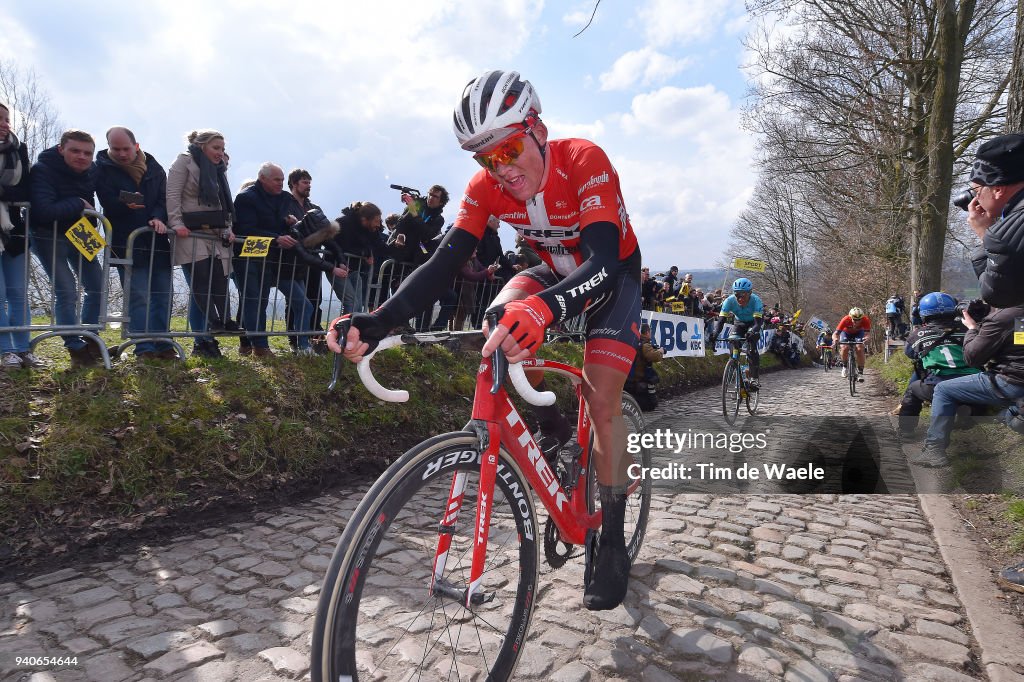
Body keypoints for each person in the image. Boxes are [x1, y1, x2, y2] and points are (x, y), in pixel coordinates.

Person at [329, 70, 642, 611]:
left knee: (602, 396)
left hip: (612, 276)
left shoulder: (583, 159)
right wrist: (377, 320)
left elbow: (603, 260)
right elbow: (442, 262)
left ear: (537, 128)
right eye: (485, 158)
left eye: (511, 148)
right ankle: (552, 427)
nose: (502, 168)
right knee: (498, 324)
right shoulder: (485, 190)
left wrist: (544, 309)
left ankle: (610, 534)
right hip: (550, 273)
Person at [95, 126, 176, 360]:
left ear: (136, 146)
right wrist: (124, 204)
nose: (121, 154)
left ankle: (164, 344)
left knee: (163, 294)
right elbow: (106, 199)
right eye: (115, 149)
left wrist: (159, 217)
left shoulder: (154, 167)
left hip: (157, 241)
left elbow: (164, 198)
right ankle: (143, 347)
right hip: (126, 242)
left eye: (126, 149)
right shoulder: (101, 168)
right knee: (138, 295)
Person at [912, 300, 1024, 467]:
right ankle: (1011, 414)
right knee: (1012, 415)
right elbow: (1019, 341)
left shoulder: (1006, 317)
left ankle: (934, 450)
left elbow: (973, 358)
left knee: (943, 390)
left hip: (1013, 382)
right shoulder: (1017, 319)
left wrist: (973, 329)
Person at [29, 129, 104, 368]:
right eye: (75, 151)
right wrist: (77, 204)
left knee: (97, 286)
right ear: (61, 149)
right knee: (66, 291)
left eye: (87, 153)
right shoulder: (42, 170)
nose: (82, 157)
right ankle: (75, 347)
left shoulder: (92, 170)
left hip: (82, 232)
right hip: (49, 234)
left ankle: (92, 339)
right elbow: (43, 210)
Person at [232, 162, 315, 356]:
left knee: (261, 299)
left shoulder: (284, 198)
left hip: (272, 254)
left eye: (282, 180)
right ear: (263, 178)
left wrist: (289, 224)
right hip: (250, 251)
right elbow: (244, 228)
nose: (280, 183)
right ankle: (258, 345)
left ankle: (254, 343)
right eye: (276, 179)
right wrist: (275, 237)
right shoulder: (246, 198)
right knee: (253, 299)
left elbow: (278, 222)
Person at [166, 129, 235, 359]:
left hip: (214, 235)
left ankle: (218, 327)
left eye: (223, 149)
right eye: (216, 148)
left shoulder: (217, 170)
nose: (220, 153)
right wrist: (176, 223)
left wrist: (227, 228)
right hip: (189, 233)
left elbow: (223, 203)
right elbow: (173, 194)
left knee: (217, 282)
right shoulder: (184, 162)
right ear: (202, 145)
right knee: (200, 282)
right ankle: (203, 338)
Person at [896, 292, 979, 437]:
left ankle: (906, 430)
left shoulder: (918, 334)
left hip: (937, 385)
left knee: (913, 390)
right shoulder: (970, 328)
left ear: (923, 314)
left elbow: (910, 354)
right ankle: (971, 411)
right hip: (973, 383)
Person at [0, 101, 44, 370]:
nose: (4, 124)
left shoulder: (20, 150)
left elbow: (26, 191)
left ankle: (24, 349)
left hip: (15, 230)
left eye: (6, 119)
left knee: (18, 293)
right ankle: (6, 351)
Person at [963, 133, 1024, 308]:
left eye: (976, 191)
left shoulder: (1002, 237)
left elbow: (997, 295)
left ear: (997, 189)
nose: (975, 198)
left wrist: (986, 235)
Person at [328, 201, 386, 314]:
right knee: (351, 302)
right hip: (337, 268)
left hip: (354, 270)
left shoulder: (369, 229)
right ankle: (345, 329)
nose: (378, 225)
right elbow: (341, 246)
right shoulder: (343, 223)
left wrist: (368, 253)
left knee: (358, 304)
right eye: (376, 221)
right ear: (365, 219)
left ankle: (354, 329)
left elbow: (377, 245)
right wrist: (364, 253)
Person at [709, 278, 765, 390]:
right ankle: (735, 366)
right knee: (733, 340)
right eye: (737, 294)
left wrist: (752, 331)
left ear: (750, 293)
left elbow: (757, 324)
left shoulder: (756, 301)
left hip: (754, 323)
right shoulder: (729, 301)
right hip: (739, 323)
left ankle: (754, 378)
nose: (740, 298)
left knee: (752, 347)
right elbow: (721, 321)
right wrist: (715, 333)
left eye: (743, 294)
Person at [626, 322, 664, 410]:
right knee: (650, 405)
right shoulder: (645, 345)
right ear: (647, 332)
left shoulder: (634, 342)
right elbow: (654, 356)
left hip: (629, 379)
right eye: (650, 332)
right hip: (639, 379)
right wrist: (661, 351)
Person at [833, 307, 871, 380]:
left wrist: (867, 338)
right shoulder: (845, 319)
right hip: (846, 333)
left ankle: (860, 372)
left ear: (862, 318)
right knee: (844, 348)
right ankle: (844, 367)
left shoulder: (865, 320)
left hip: (859, 333)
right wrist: (835, 339)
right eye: (854, 319)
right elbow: (836, 333)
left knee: (860, 349)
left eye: (859, 320)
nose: (856, 322)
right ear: (850, 317)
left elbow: (867, 334)